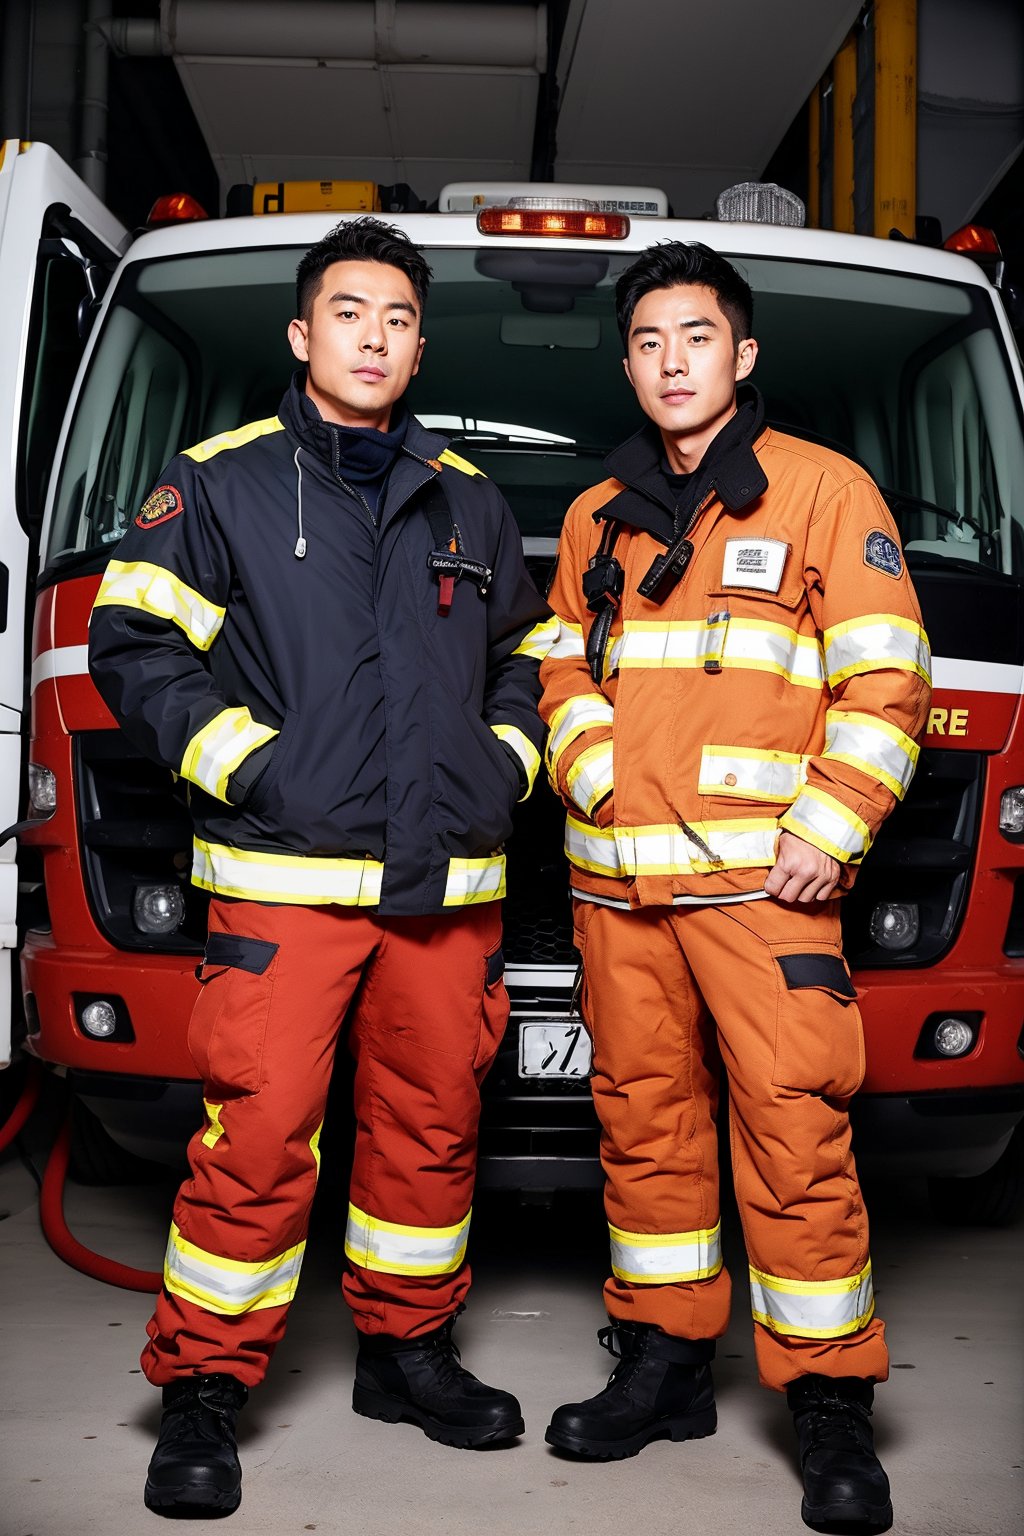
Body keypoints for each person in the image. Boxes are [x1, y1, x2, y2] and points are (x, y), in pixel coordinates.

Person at [88, 216, 555, 1517]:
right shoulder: (222, 480)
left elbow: (530, 652)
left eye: (399, 319)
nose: (375, 337)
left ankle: (406, 1355)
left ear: (416, 344)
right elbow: (133, 644)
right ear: (304, 336)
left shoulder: (465, 495)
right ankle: (202, 1389)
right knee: (256, 1144)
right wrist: (249, 766)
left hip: (445, 899)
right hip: (284, 891)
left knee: (432, 1132)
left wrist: (506, 761)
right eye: (351, 313)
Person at [538, 241, 930, 1533]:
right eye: (648, 341)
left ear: (743, 355)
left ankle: (828, 1406)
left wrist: (838, 820)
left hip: (769, 892)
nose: (670, 362)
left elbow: (886, 677)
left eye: (694, 338)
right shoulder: (600, 515)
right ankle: (663, 1365)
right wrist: (590, 767)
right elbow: (558, 667)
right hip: (621, 897)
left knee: (797, 1137)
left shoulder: (822, 491)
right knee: (643, 1130)